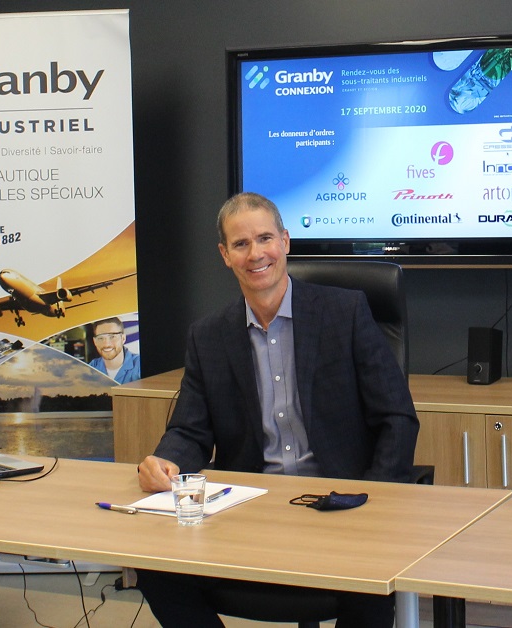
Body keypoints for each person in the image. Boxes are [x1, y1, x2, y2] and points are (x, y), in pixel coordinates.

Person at [135, 192, 420, 628]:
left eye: (265, 238)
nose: (256, 254)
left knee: (371, 588)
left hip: (342, 508)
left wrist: (373, 499)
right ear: (224, 255)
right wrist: (165, 462)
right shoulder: (208, 336)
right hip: (249, 511)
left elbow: (397, 417)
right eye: (241, 244)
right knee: (155, 568)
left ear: (285, 241)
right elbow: (189, 431)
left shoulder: (344, 313)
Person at [88, 316, 141, 383]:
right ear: (95, 341)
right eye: (100, 338)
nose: (106, 344)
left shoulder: (139, 365)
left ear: (123, 338)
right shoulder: (91, 368)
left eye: (112, 337)